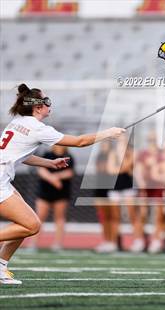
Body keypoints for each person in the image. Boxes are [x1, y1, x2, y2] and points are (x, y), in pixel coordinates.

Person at [0, 84, 125, 284]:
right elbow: (80, 142)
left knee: (26, 223)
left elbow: (21, 155)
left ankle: (1, 266)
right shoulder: (37, 128)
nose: (50, 104)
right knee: (31, 225)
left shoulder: (18, 121)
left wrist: (49, 163)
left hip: (4, 179)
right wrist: (107, 133)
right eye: (46, 101)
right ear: (38, 107)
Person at [31, 145, 75, 251]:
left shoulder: (68, 157)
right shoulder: (47, 155)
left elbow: (69, 172)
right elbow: (41, 170)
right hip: (45, 191)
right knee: (39, 217)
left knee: (59, 217)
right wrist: (52, 179)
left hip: (61, 192)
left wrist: (56, 177)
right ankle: (33, 244)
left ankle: (57, 244)